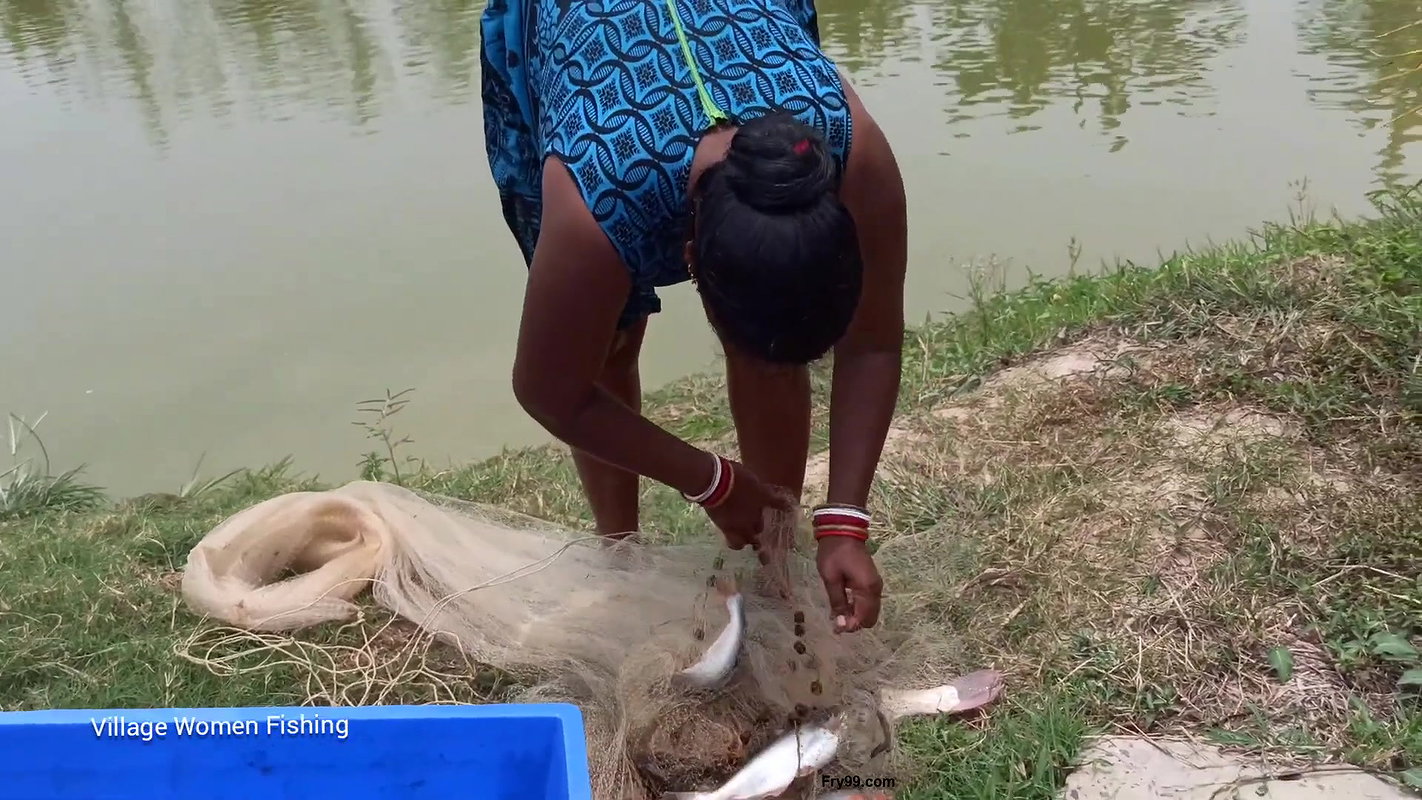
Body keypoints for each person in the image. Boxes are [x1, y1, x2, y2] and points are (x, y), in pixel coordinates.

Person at [479, 0, 906, 633]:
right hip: (581, 49)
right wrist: (710, 481)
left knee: (770, 340)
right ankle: (619, 556)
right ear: (688, 257)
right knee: (606, 349)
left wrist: (845, 520)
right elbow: (553, 390)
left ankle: (776, 553)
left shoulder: (849, 149)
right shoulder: (596, 198)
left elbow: (872, 341)